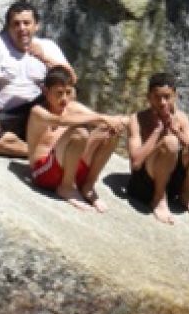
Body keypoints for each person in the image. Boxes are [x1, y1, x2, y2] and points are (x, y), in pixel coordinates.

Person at [0, 1, 77, 157]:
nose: (22, 28)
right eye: (16, 24)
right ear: (8, 27)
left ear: (36, 26)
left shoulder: (47, 46)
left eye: (26, 23)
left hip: (39, 112)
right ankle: (43, 153)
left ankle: (55, 141)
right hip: (8, 115)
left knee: (70, 92)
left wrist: (44, 58)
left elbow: (71, 79)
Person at [27, 66, 126, 212]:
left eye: (68, 92)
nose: (64, 98)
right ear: (46, 92)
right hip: (45, 174)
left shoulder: (73, 107)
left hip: (70, 171)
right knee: (79, 132)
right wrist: (101, 118)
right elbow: (59, 121)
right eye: (59, 93)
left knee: (110, 131)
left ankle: (88, 186)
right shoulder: (37, 112)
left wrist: (120, 122)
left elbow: (104, 121)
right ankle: (66, 188)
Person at [127, 73, 189, 224]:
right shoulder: (137, 119)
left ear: (175, 96)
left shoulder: (181, 118)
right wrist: (157, 131)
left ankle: (185, 194)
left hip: (171, 181)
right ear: (149, 97)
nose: (162, 102)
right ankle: (158, 198)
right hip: (144, 184)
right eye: (157, 97)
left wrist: (177, 132)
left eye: (167, 97)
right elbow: (135, 163)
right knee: (170, 143)